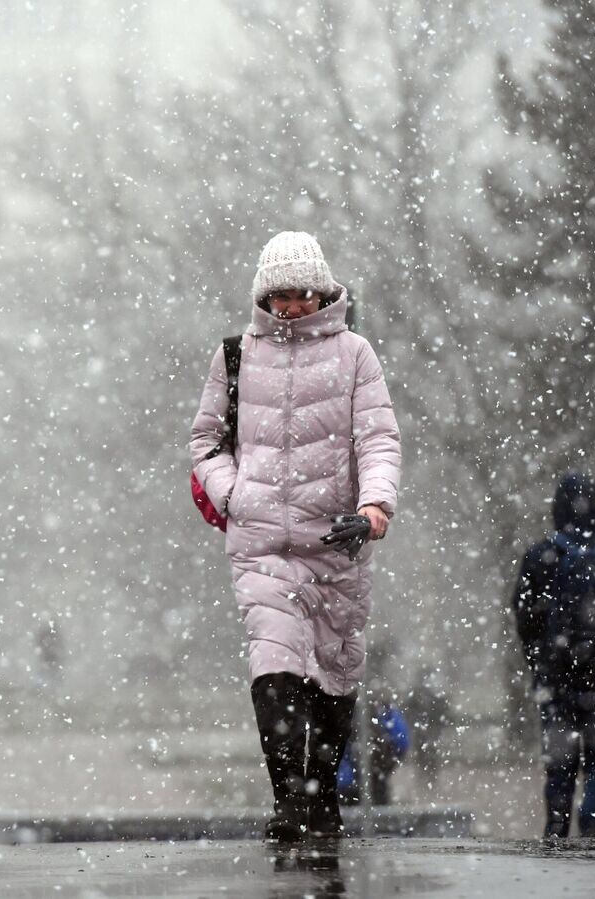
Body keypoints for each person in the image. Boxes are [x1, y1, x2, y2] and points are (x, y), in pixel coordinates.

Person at [189, 231, 401, 842]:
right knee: (274, 662)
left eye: (301, 294)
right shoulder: (236, 355)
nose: (289, 307)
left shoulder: (355, 354)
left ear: (322, 291)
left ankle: (321, 793)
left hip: (337, 541)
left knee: (335, 674)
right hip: (263, 545)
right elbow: (205, 441)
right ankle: (289, 799)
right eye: (278, 295)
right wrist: (234, 495)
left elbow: (378, 438)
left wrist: (375, 506)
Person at [512, 472, 595, 838]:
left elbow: (524, 622)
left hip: (557, 681)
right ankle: (593, 823)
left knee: (560, 764)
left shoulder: (540, 556)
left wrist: (542, 661)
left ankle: (557, 826)